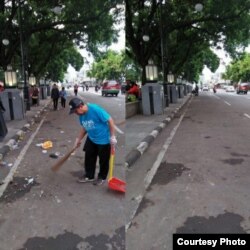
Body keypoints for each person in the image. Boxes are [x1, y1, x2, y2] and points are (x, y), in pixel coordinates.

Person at [69, 97, 117, 186]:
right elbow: (84, 127)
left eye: (75, 111)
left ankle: (102, 177)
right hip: (91, 138)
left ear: (80, 106)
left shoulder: (95, 109)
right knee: (89, 157)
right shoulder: (81, 115)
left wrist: (112, 136)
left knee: (103, 161)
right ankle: (89, 176)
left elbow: (110, 120)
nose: (75, 113)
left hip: (104, 140)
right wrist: (78, 139)